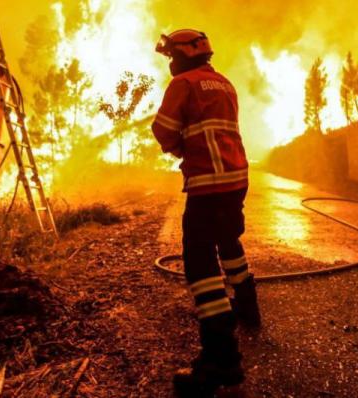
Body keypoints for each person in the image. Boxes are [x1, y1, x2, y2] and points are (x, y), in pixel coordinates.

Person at [151, 29, 261, 396]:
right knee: (227, 239)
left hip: (208, 182)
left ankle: (220, 359)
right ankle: (247, 303)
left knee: (200, 266)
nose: (170, 63)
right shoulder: (224, 83)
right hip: (236, 178)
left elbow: (163, 130)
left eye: (171, 57)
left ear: (182, 56)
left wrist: (181, 146)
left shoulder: (183, 84)